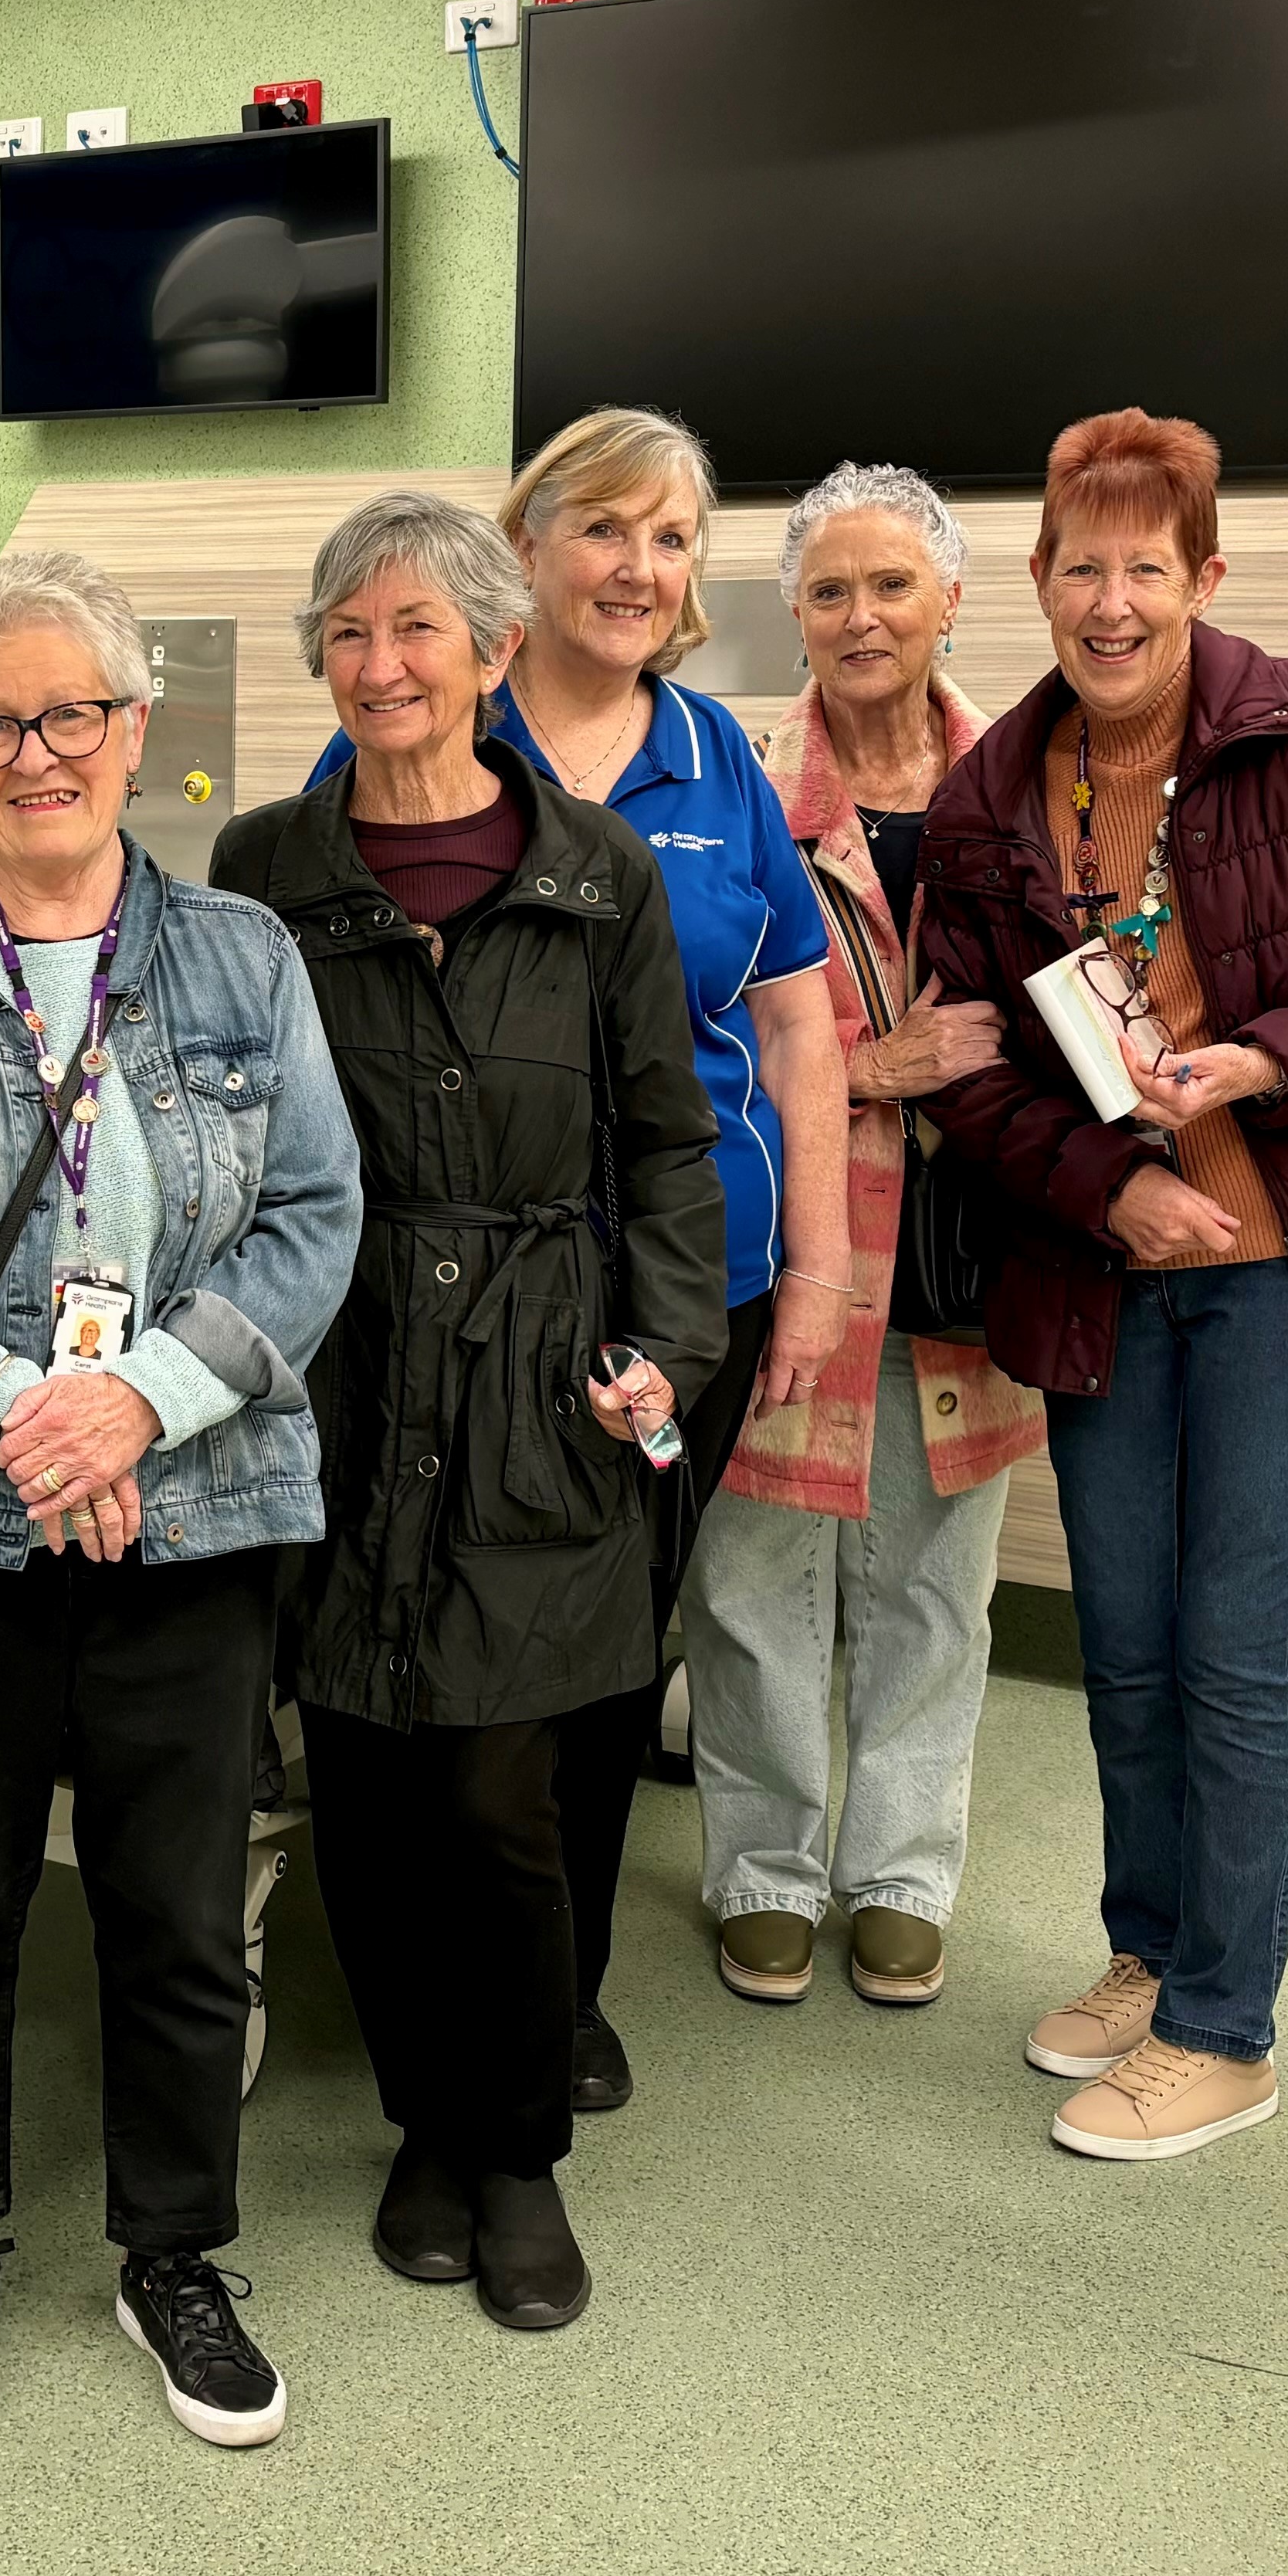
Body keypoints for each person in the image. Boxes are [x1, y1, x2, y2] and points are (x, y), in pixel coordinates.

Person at [0, 548, 358, 2453]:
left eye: (72, 715)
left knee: (182, 1913)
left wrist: (143, 1410)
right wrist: (34, 1416)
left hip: (202, 1507)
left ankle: (174, 2249)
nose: (39, 754)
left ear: (134, 729)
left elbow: (313, 1219)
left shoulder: (244, 959)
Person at [918, 408, 1288, 2163]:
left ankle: (1231, 2031)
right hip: (1107, 1271)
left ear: (1206, 576)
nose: (1115, 600)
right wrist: (1115, 1189)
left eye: (1150, 565)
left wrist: (1261, 1066)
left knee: (1230, 1646)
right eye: (1084, 565)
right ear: (1043, 582)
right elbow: (981, 1074)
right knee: (1130, 1650)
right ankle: (1153, 1958)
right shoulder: (998, 787)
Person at [219, 492, 724, 2336]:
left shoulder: (598, 875)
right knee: (361, 1778)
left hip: (537, 1380)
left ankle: (513, 2150)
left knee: (507, 1795)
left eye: (419, 630)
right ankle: (427, 2123)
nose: (382, 667)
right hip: (331, 1378)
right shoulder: (265, 870)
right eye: (348, 635)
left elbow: (668, 1140)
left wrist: (676, 1341)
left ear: (500, 651)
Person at [318, 406, 849, 2104]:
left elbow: (796, 1027)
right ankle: (423, 1983)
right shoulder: (401, 733)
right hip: (445, 1286)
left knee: (616, 1653)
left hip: (685, 1280)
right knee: (435, 1624)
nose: (639, 568)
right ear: (526, 550)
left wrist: (821, 1273)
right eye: (605, 529)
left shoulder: (717, 766)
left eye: (674, 539)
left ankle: (566, 1981)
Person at [686, 466, 1045, 2015]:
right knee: (756, 1575)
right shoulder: (733, 793)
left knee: (934, 1584)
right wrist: (877, 1068)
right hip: (801, 1248)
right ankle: (765, 1872)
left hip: (973, 1252)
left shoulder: (1037, 792)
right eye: (829, 590)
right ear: (794, 614)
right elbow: (697, 1018)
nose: (861, 617)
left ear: (952, 601)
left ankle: (902, 1875)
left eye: (893, 585)